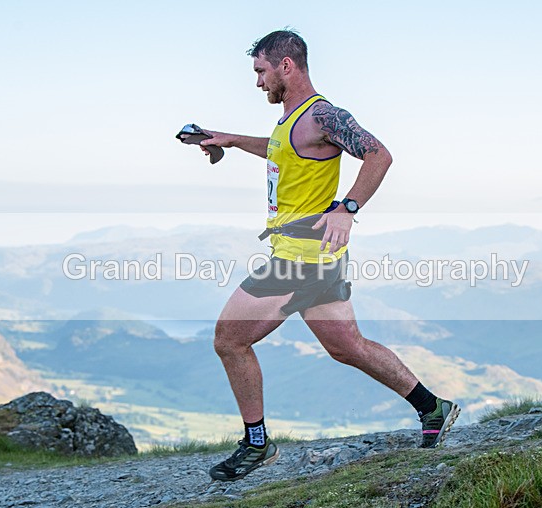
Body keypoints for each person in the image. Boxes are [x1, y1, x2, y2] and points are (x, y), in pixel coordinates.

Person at [188, 30, 459, 482]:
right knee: (346, 346)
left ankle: (257, 444)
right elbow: (281, 152)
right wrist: (230, 139)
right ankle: (433, 408)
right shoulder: (291, 120)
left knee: (229, 340)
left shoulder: (323, 116)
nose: (257, 83)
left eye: (260, 72)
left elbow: (378, 155)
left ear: (286, 65)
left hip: (301, 256)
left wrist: (347, 207)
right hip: (314, 256)